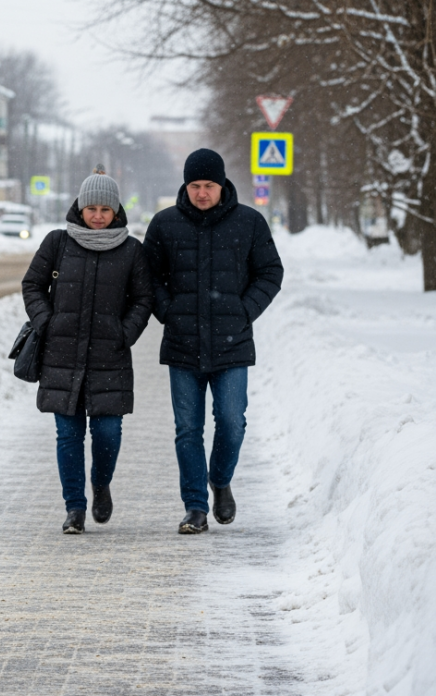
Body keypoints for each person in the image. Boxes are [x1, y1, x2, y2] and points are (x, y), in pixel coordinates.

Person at [142, 148, 283, 534]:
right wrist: (168, 311)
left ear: (222, 185)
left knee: (232, 421)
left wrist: (243, 310)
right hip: (182, 344)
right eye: (194, 185)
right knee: (188, 429)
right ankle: (195, 507)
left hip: (232, 343)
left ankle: (220, 480)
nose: (201, 193)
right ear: (185, 186)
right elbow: (148, 278)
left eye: (208, 185)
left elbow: (270, 272)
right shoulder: (165, 224)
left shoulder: (249, 223)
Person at [22, 169, 154, 534]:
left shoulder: (131, 250)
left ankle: (100, 483)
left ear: (116, 211)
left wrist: (125, 332)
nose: (98, 215)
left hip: (109, 358)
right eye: (91, 208)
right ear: (80, 208)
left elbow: (144, 299)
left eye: (105, 209)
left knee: (108, 433)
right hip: (61, 356)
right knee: (68, 435)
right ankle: (74, 509)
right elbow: (32, 284)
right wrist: (47, 321)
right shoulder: (57, 243)